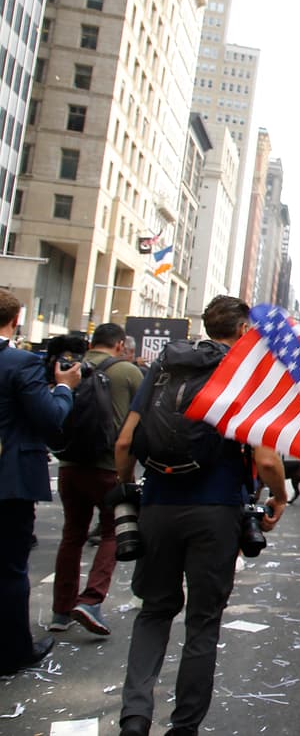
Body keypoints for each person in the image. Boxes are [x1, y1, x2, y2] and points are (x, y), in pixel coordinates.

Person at [114, 296, 287, 736]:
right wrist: (280, 496)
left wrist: (128, 489)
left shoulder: (164, 366)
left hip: (157, 505)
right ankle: (184, 726)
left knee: (154, 611)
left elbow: (125, 441)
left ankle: (135, 716)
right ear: (243, 330)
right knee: (203, 622)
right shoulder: (246, 374)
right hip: (217, 509)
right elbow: (267, 459)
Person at [0, 288, 80, 675]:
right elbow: (50, 417)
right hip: (8, 480)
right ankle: (13, 651)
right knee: (10, 568)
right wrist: (64, 388)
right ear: (16, 320)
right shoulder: (20, 363)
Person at [49, 322, 143, 635]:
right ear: (120, 345)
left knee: (72, 535)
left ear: (91, 343)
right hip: (108, 467)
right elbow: (141, 421)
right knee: (112, 532)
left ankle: (61, 610)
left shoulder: (70, 367)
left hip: (70, 465)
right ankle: (91, 600)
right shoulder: (128, 372)